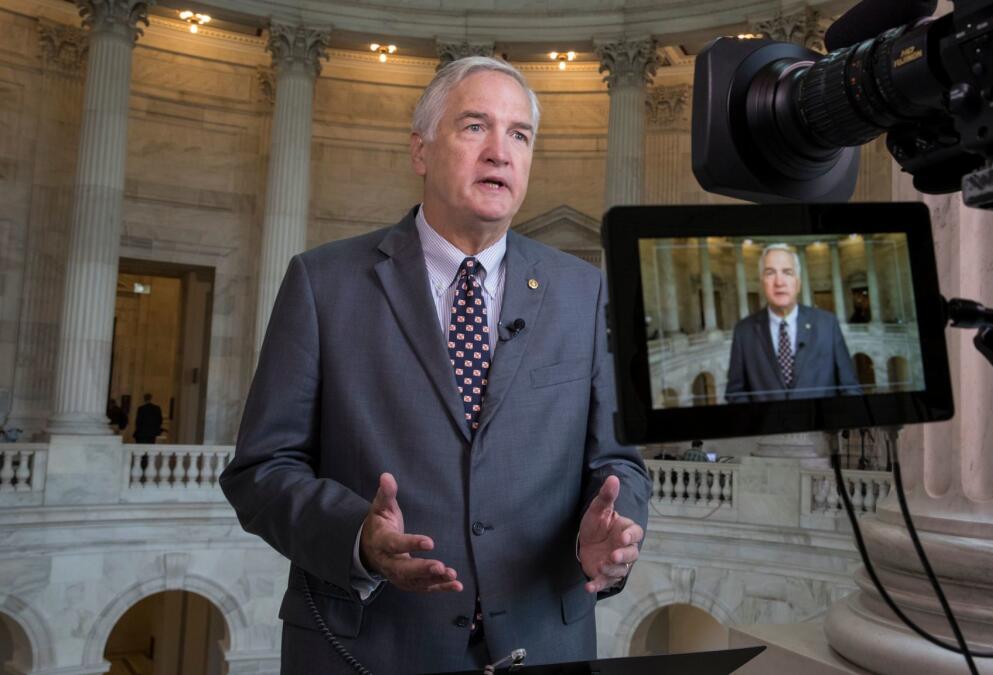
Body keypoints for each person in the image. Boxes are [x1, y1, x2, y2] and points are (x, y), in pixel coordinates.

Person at [220, 57, 650, 674]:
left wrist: (610, 533)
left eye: (519, 134)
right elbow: (261, 469)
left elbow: (617, 463)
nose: (501, 152)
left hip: (544, 645)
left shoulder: (587, 293)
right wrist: (359, 538)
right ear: (420, 150)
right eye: (476, 127)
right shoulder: (323, 283)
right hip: (366, 649)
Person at [725, 243, 862, 402]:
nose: (779, 282)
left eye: (787, 272)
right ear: (762, 282)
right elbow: (735, 393)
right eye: (770, 273)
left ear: (798, 282)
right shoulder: (744, 331)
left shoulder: (827, 324)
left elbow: (850, 388)